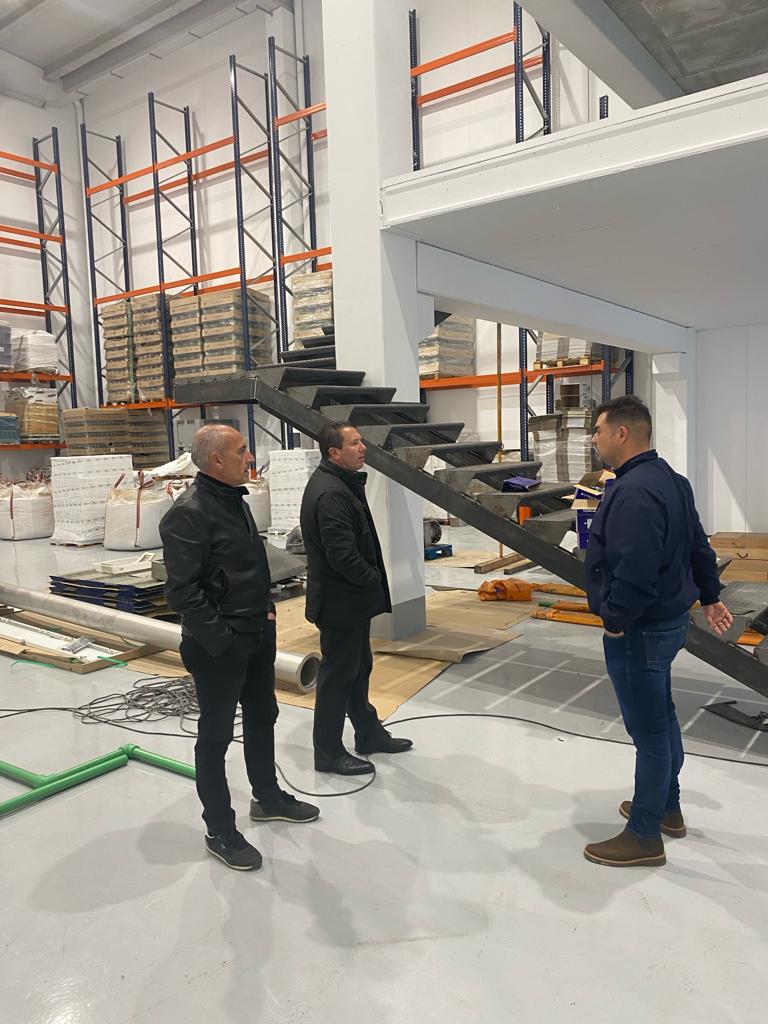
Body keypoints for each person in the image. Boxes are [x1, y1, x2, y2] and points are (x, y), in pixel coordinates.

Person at [160, 424, 319, 871]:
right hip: (218, 646)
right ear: (216, 460)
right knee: (215, 737)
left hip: (256, 634)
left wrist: (266, 615)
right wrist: (223, 640)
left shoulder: (237, 501)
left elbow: (251, 568)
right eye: (242, 450)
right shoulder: (188, 513)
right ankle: (220, 830)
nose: (250, 457)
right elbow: (182, 592)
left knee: (263, 715)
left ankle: (267, 797)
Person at [583, 396, 732, 868]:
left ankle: (645, 834)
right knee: (662, 717)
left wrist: (615, 622)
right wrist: (710, 595)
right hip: (669, 623)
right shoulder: (671, 480)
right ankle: (668, 807)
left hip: (640, 630)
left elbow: (636, 572)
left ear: (622, 433)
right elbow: (698, 545)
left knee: (649, 734)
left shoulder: (633, 493)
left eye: (598, 430)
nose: (594, 439)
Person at [300, 422, 413, 775]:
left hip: (350, 601)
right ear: (334, 452)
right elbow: (343, 556)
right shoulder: (331, 493)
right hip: (340, 603)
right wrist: (372, 581)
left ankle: (368, 733)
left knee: (358, 668)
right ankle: (328, 752)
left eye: (361, 441)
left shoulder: (342, 483)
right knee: (337, 677)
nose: (362, 447)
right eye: (354, 443)